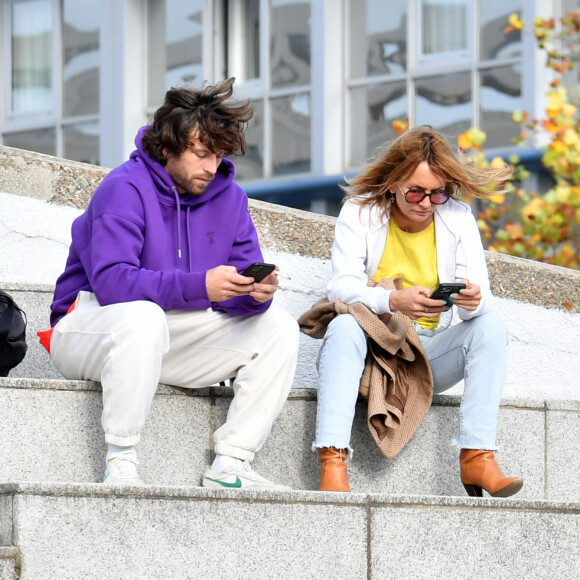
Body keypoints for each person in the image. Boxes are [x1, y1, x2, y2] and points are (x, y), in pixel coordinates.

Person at [38, 78, 299, 489]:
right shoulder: (122, 188)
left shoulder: (231, 199)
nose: (211, 167)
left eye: (218, 155)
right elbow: (112, 284)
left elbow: (235, 287)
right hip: (88, 327)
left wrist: (254, 296)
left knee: (279, 328)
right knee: (142, 317)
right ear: (166, 148)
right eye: (201, 153)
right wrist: (201, 287)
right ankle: (120, 461)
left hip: (169, 333)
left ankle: (231, 464)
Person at [304, 126, 523, 497]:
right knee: (343, 326)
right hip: (374, 349)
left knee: (491, 327)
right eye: (416, 191)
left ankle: (477, 457)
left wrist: (473, 301)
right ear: (392, 184)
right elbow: (339, 286)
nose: (426, 202)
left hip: (428, 352)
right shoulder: (360, 212)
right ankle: (333, 460)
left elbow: (481, 301)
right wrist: (393, 300)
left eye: (437, 192)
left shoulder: (457, 218)